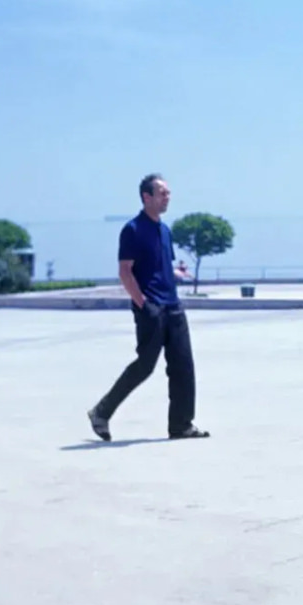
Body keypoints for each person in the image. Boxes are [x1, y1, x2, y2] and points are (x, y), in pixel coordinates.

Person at [87, 174, 208, 442]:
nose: (168, 197)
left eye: (168, 193)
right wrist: (143, 304)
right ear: (146, 197)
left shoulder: (164, 230)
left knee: (183, 367)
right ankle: (101, 412)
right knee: (144, 365)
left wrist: (177, 272)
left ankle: (181, 425)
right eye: (162, 193)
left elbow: (159, 265)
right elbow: (125, 271)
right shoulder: (132, 229)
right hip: (151, 308)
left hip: (173, 306)